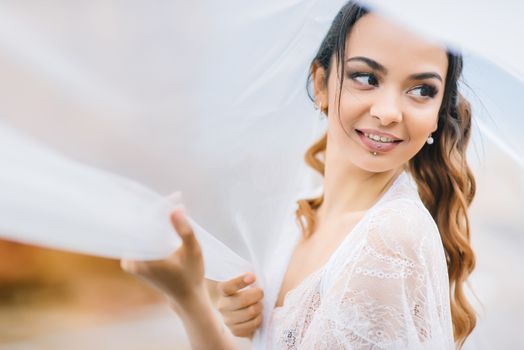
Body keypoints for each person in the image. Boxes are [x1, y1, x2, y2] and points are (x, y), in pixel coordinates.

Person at [121, 1, 477, 349]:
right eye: (366, 78)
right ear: (321, 84)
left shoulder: (390, 238)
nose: (387, 113)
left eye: (421, 91)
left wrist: (189, 294)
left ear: (437, 113)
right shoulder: (297, 219)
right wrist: (191, 300)